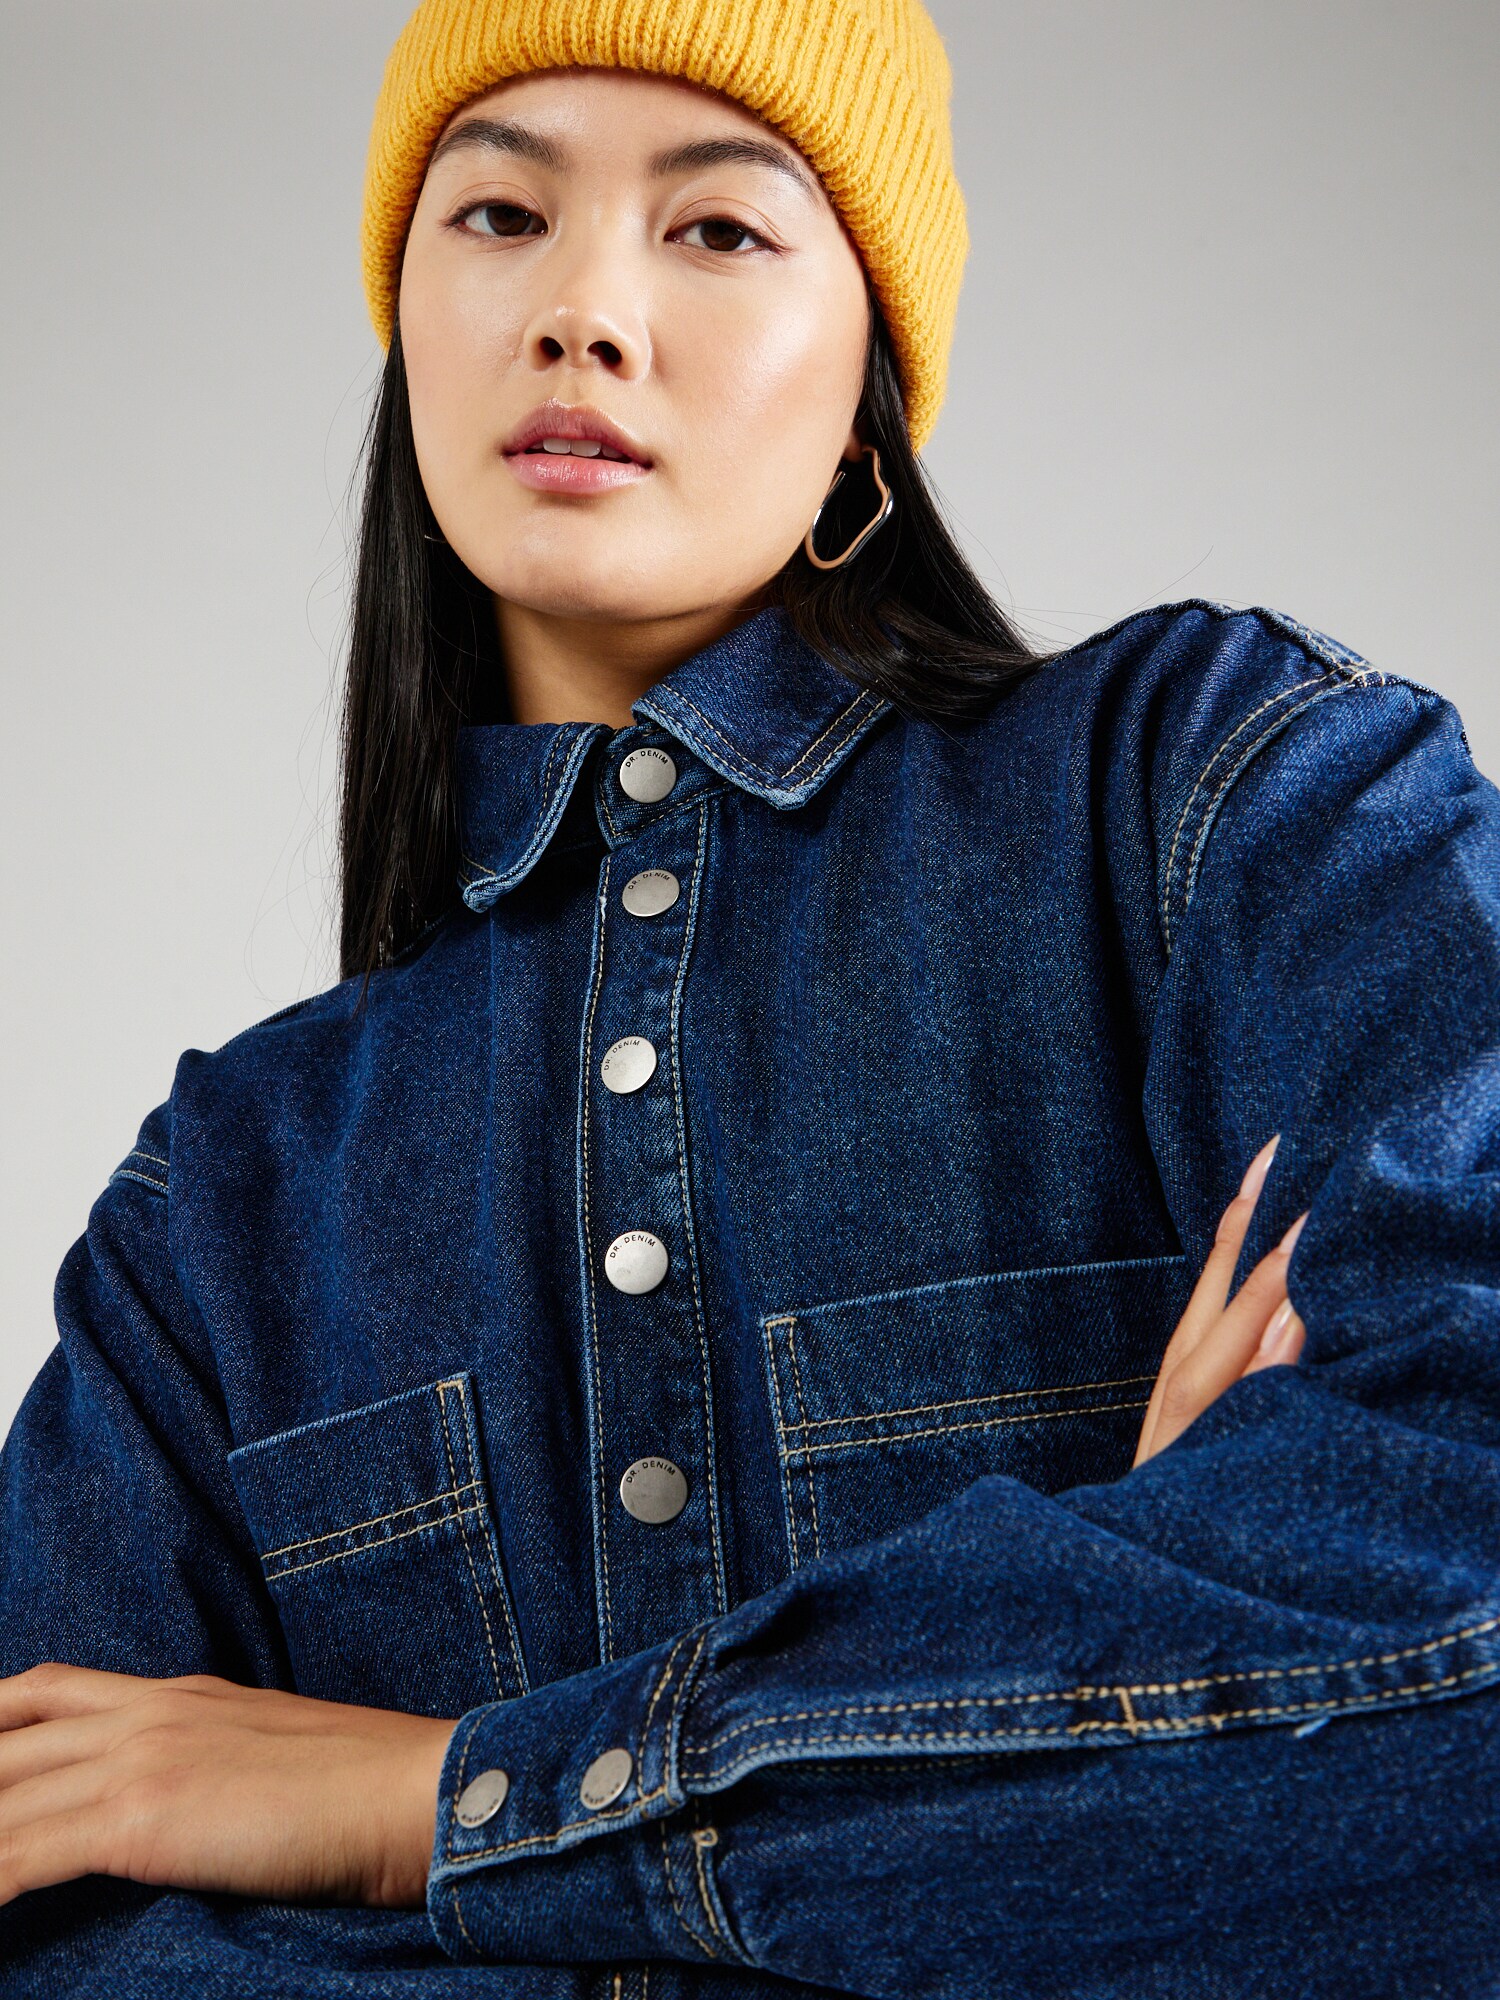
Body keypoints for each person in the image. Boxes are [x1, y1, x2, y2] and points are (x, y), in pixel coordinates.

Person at [2, 0, 1499, 1992]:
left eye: (717, 228)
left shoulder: (1220, 798)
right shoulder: (225, 1207)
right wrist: (1093, 1742)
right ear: (408, 315)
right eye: (499, 213)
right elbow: (54, 1929)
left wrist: (439, 1802)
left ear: (871, 378)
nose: (584, 314)